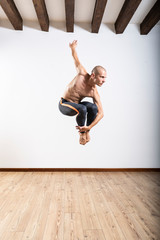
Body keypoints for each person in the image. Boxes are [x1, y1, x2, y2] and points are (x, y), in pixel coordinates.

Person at [59, 40, 107, 145]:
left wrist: (89, 127)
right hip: (64, 104)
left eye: (105, 78)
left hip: (77, 105)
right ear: (93, 75)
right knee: (82, 108)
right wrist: (73, 48)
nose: (104, 80)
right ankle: (81, 134)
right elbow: (75, 58)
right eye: (102, 77)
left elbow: (101, 113)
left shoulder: (94, 91)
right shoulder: (81, 73)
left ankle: (86, 131)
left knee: (94, 108)